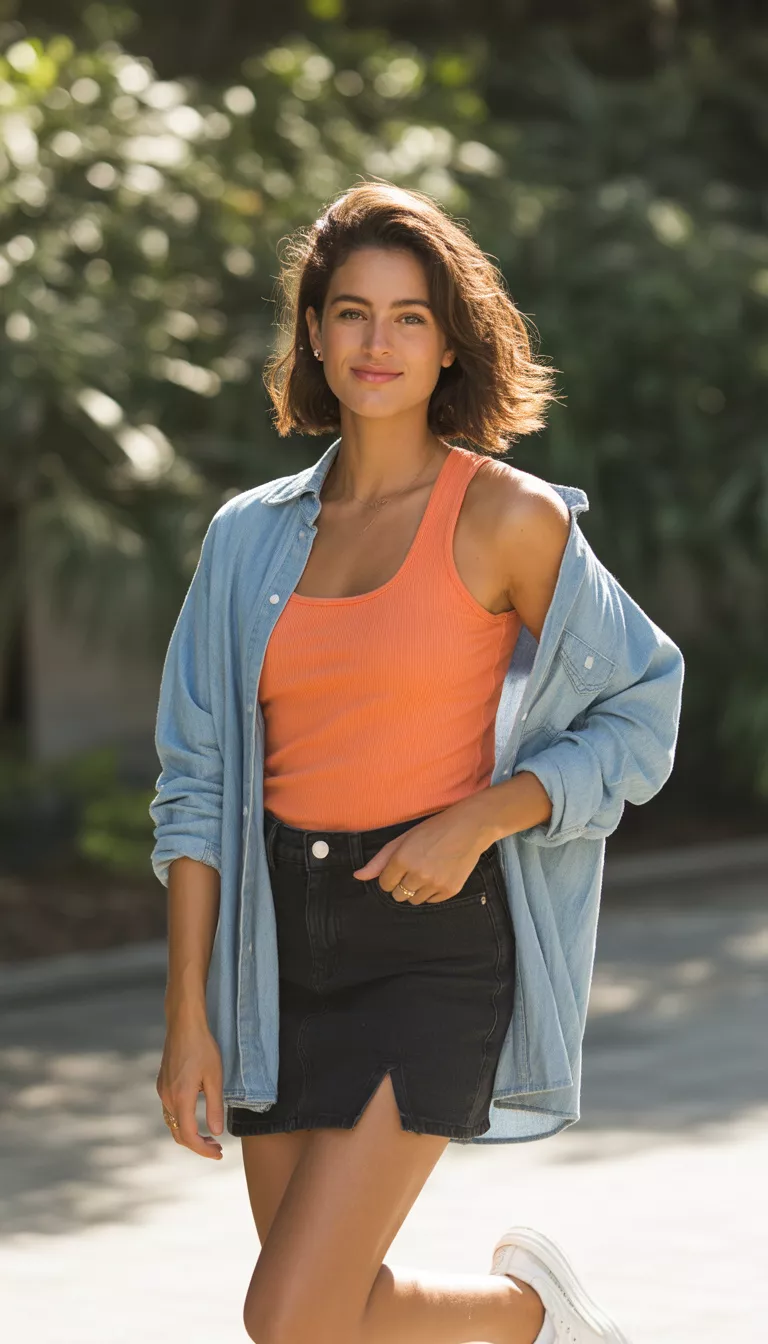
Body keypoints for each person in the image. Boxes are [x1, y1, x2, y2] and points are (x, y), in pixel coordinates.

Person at [151, 181, 684, 1344]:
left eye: (407, 316)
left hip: (433, 943)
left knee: (288, 1317)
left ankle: (528, 1320)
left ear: (451, 342)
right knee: (334, 1316)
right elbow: (194, 784)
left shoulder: (509, 517)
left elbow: (644, 705)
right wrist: (187, 1011)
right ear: (314, 334)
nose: (376, 342)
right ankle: (526, 1323)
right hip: (271, 955)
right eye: (351, 313)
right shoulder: (245, 538)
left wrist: (485, 815)